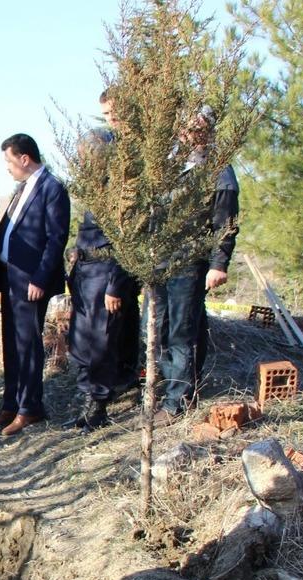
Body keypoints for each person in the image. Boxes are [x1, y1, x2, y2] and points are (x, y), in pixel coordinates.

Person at [152, 106, 240, 424]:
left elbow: (225, 223)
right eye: (187, 126)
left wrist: (219, 264)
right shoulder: (176, 166)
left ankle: (178, 402)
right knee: (162, 328)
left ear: (209, 130)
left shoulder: (218, 170)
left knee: (181, 331)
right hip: (162, 261)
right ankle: (168, 391)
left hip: (189, 263)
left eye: (198, 126)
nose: (191, 132)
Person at [0, 133, 70, 436]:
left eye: (9, 160)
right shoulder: (22, 189)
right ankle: (11, 404)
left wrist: (40, 277)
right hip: (11, 277)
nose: (6, 167)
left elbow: (55, 238)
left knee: (28, 345)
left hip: (31, 281)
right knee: (12, 343)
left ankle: (29, 408)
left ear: (24, 158)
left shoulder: (52, 188)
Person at [66, 131, 136, 432]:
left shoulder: (125, 192)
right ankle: (86, 400)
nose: (83, 161)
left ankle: (98, 405)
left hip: (106, 275)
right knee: (81, 340)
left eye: (87, 155)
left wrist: (116, 285)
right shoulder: (97, 190)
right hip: (85, 273)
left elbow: (128, 243)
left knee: (102, 342)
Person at [99, 87, 143, 393]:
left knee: (127, 318)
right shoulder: (112, 148)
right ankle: (121, 380)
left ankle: (129, 378)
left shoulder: (139, 152)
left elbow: (128, 223)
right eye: (105, 114)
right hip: (112, 253)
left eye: (115, 111)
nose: (111, 119)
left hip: (132, 254)